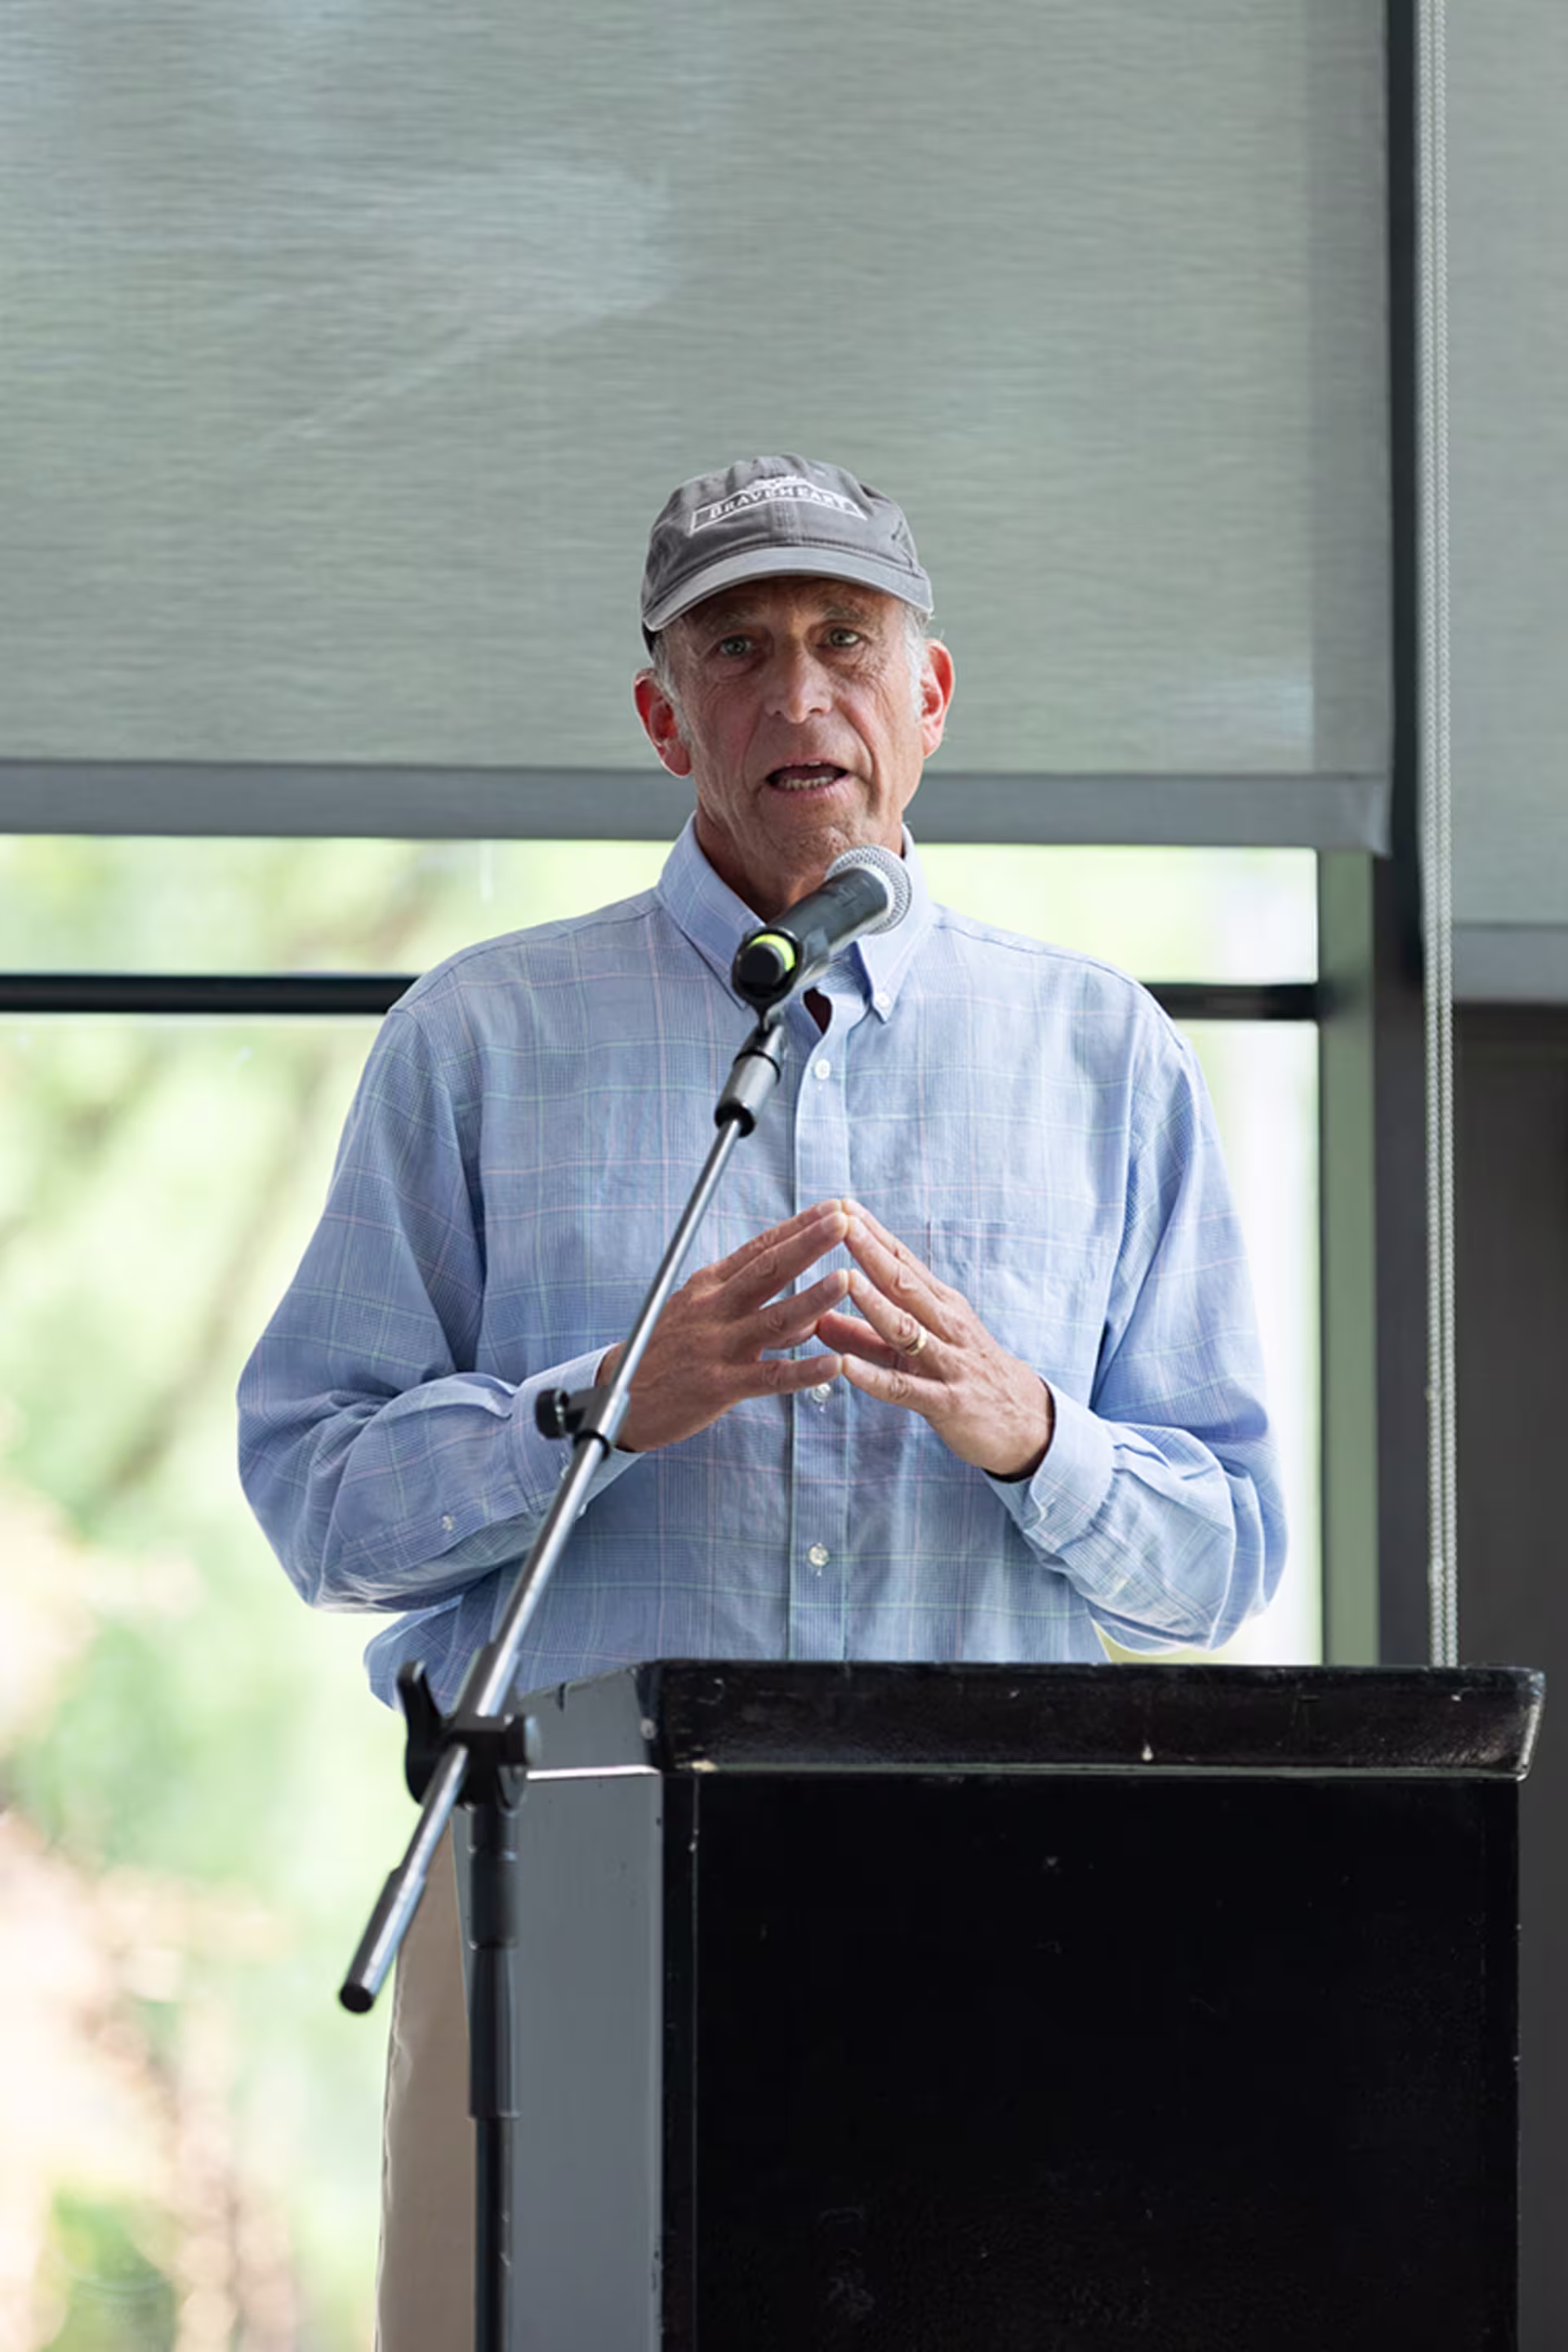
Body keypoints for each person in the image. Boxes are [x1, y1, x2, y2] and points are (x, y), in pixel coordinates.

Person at [238, 453, 1286, 2345]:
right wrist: (598, 1405)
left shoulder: (1100, 1050)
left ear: (930, 693)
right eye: (740, 650)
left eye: (845, 641)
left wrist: (1029, 1431)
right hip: (562, 1905)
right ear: (664, 714)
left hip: (994, 1912)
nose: (800, 696)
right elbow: (319, 1505)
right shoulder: (478, 1039)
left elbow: (1224, 1560)